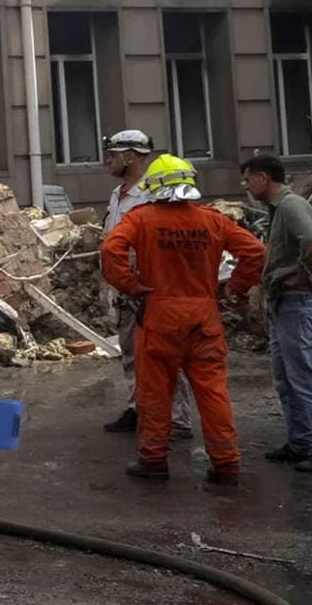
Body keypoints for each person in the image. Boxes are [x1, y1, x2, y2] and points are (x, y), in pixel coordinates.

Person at [102, 155, 264, 483]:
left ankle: (153, 460)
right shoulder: (212, 220)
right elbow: (256, 252)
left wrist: (130, 286)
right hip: (204, 317)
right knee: (213, 392)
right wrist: (237, 288)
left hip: (159, 316)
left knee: (156, 393)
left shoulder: (141, 218)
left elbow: (110, 250)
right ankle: (226, 463)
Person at [242, 154, 312, 472]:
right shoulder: (279, 209)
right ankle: (302, 443)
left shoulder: (290, 206)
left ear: (262, 178)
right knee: (287, 379)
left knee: (304, 377)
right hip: (284, 304)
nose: (246, 186)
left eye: (247, 180)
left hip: (296, 302)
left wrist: (299, 275)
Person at [99, 130, 196, 439]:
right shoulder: (118, 195)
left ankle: (177, 418)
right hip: (124, 287)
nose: (108, 161)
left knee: (164, 355)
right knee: (131, 354)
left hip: (149, 288)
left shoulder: (154, 192)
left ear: (132, 156)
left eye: (113, 155)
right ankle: (139, 408)